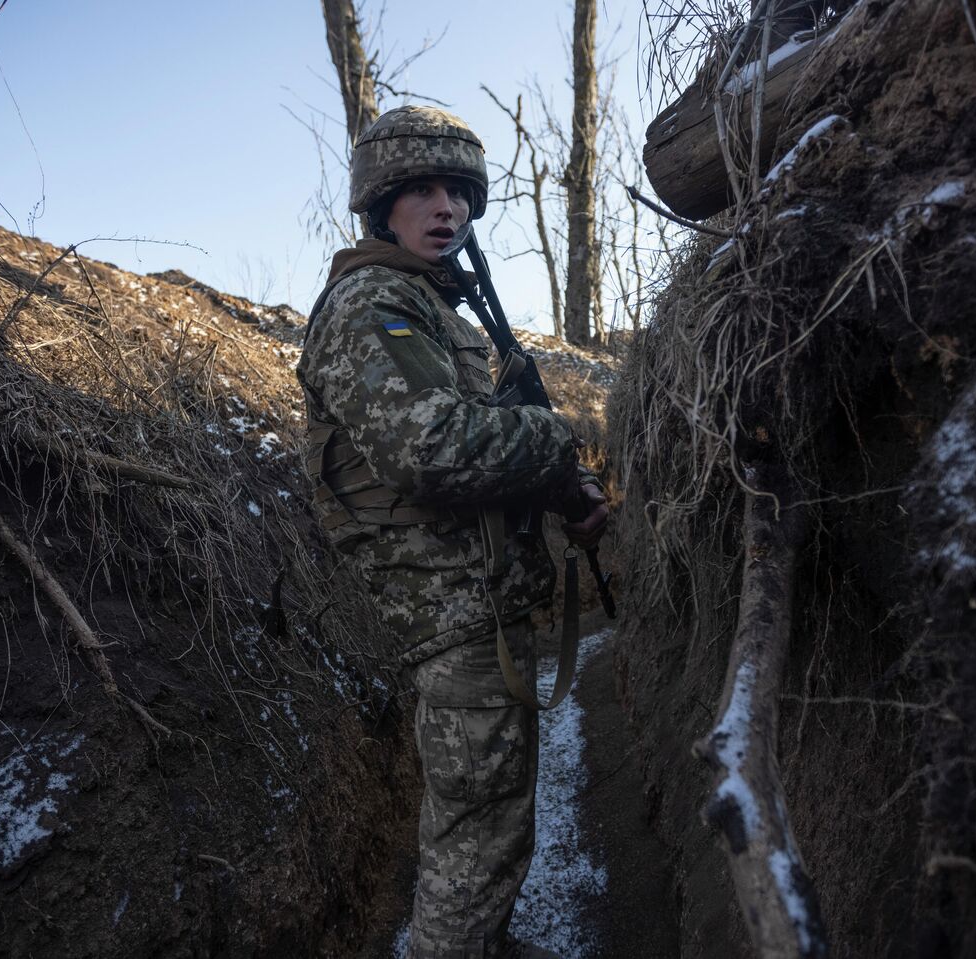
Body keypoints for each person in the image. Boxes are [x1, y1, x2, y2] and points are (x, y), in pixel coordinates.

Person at [295, 104, 608, 959]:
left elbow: (481, 467)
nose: (448, 210)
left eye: (460, 194)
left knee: (494, 828)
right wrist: (552, 439)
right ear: (382, 203)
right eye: (424, 190)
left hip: (483, 610)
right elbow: (429, 449)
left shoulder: (445, 318)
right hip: (450, 617)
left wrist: (559, 493)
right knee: (474, 846)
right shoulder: (372, 302)